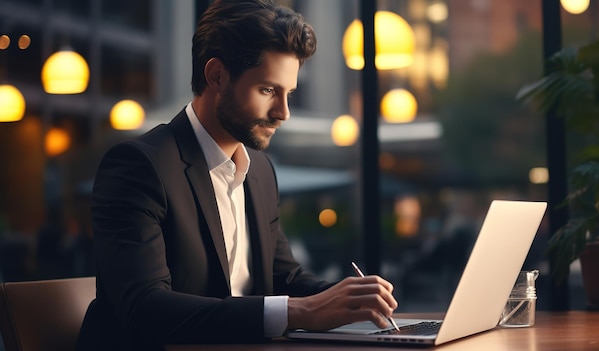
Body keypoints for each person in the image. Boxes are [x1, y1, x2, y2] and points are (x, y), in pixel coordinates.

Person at [77, 0, 398, 349]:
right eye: (268, 91)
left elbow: (283, 278)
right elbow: (145, 309)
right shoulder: (138, 167)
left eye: (289, 93)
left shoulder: (259, 170)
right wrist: (300, 311)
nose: (283, 112)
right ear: (217, 76)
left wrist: (351, 300)